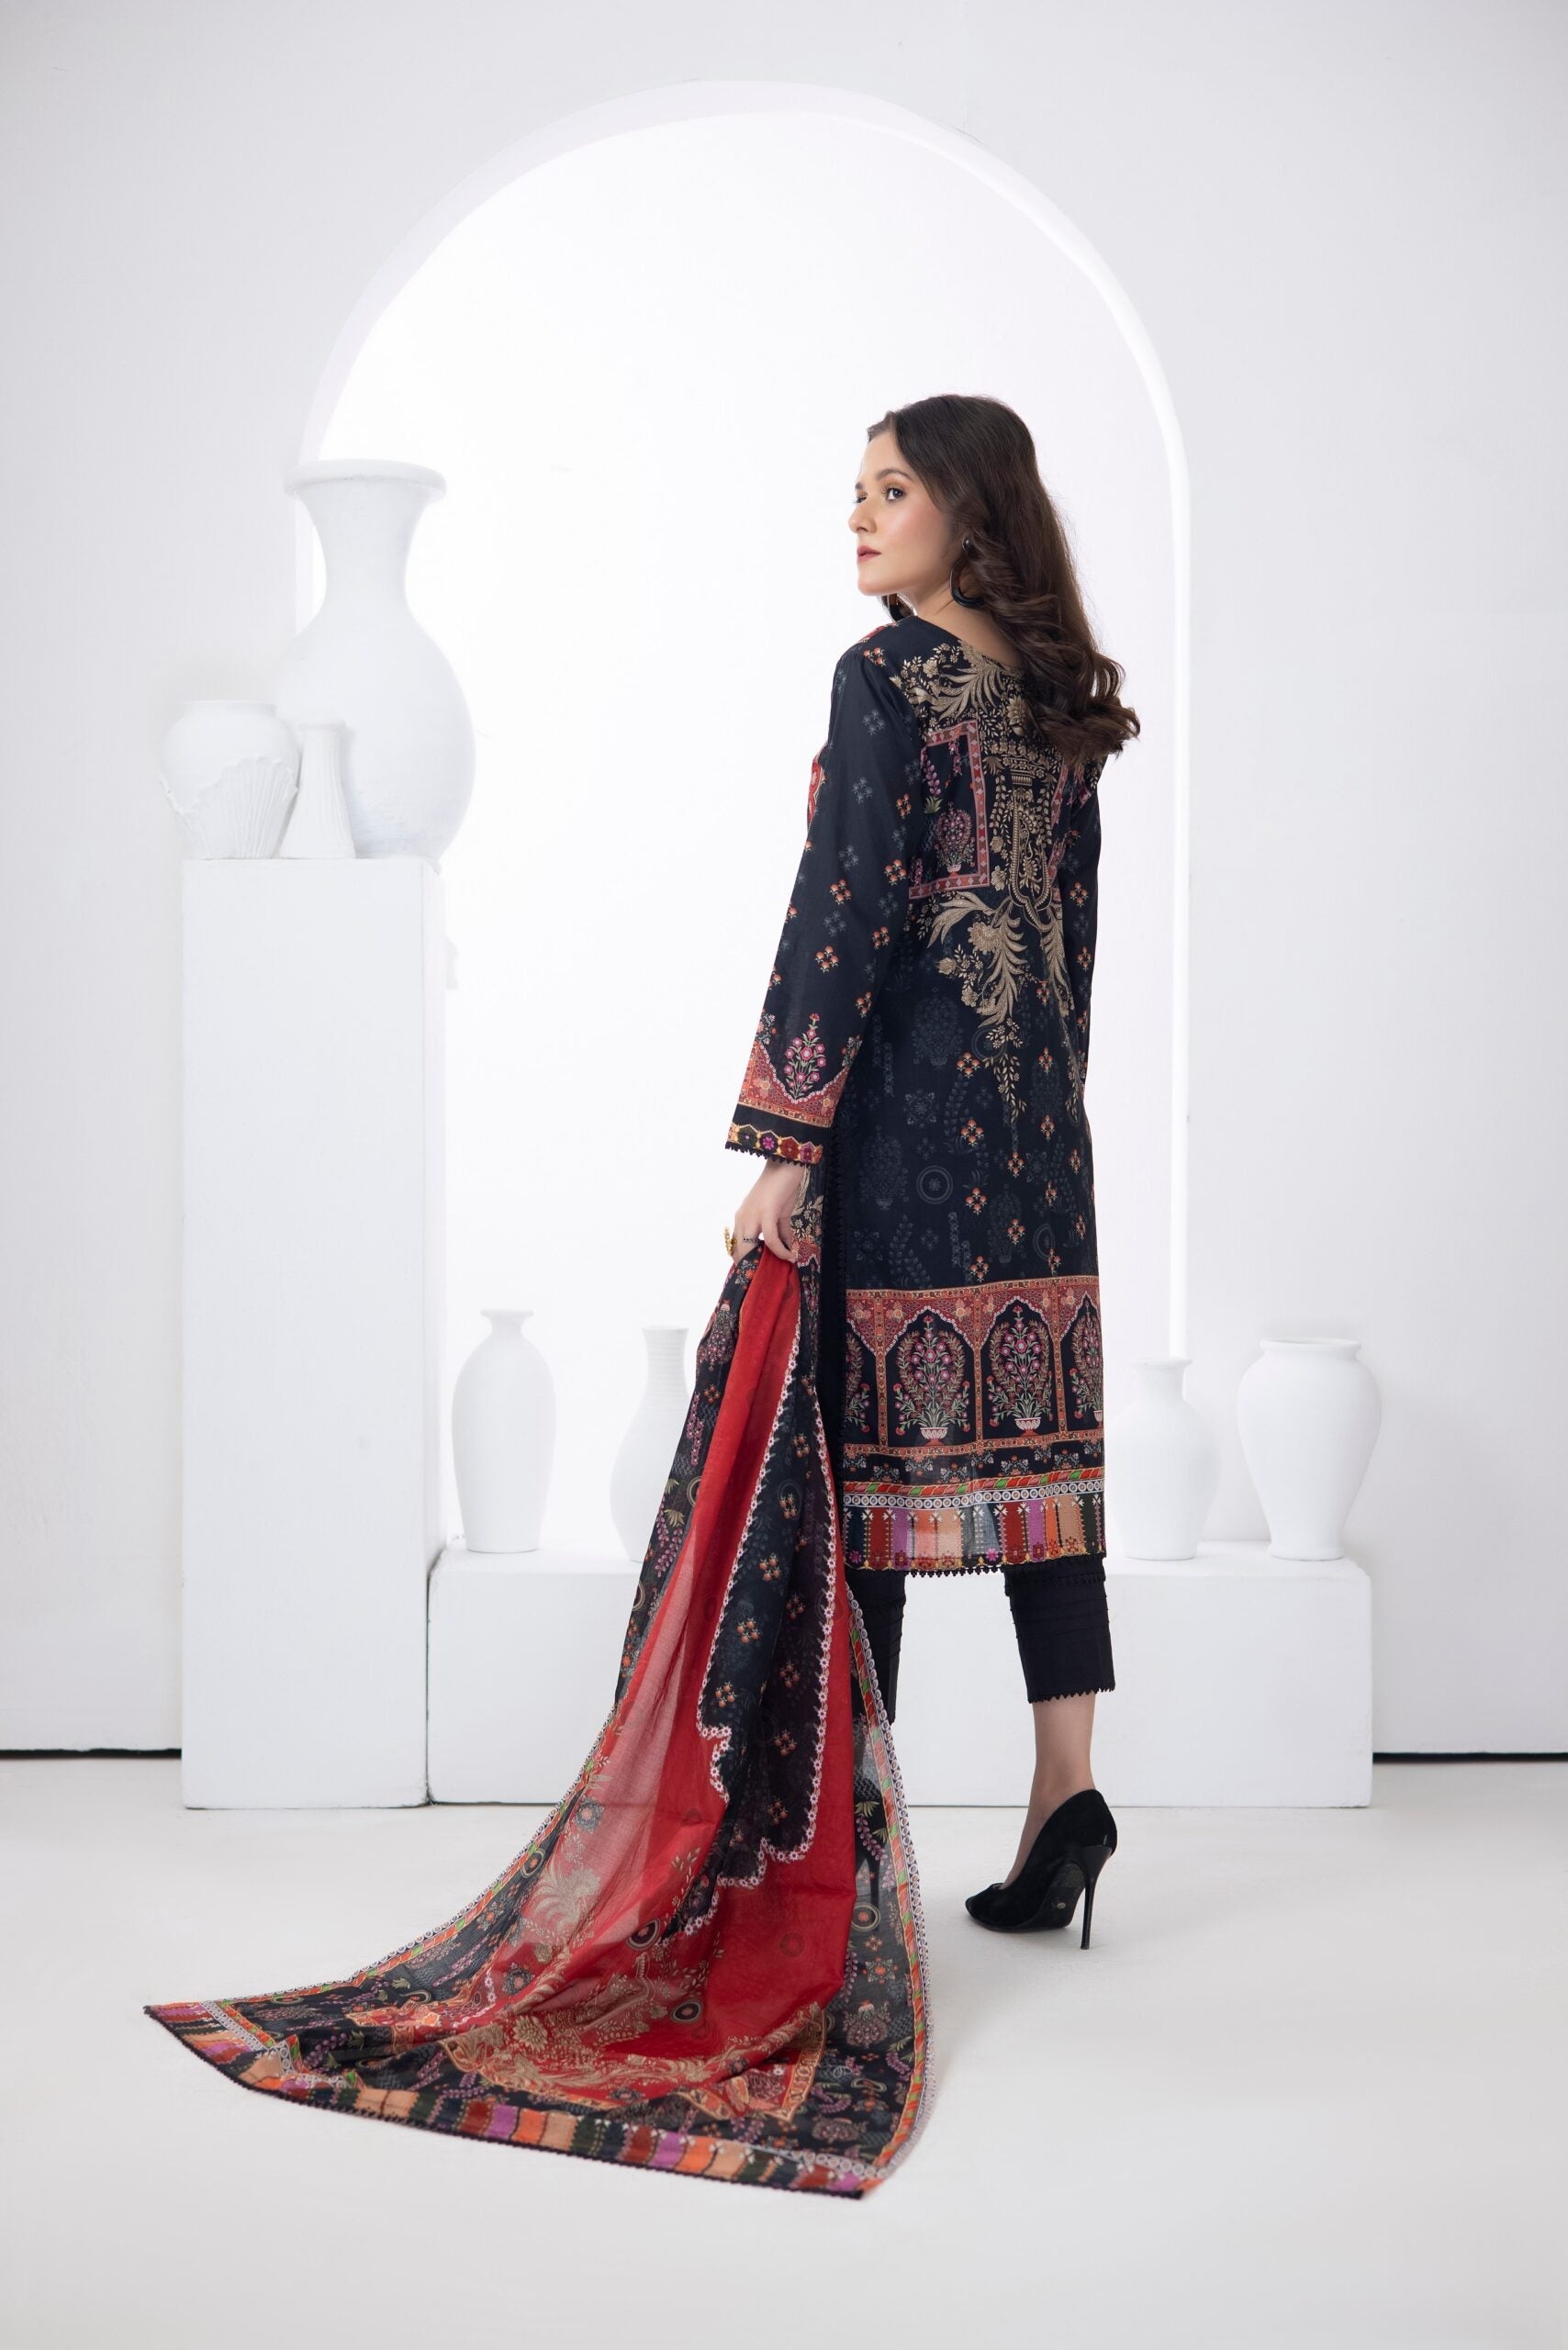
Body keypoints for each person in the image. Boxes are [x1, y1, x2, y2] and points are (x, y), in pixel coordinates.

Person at [725, 392, 1139, 1934]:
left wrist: (785, 1143)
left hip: (903, 1132)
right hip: (1038, 1145)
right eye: (858, 489)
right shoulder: (1053, 700)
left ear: (968, 510)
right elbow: (1073, 946)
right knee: (1049, 1483)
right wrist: (1048, 1110)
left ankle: (851, 1853)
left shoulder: (884, 677)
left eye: (890, 490)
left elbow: (841, 912)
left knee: (868, 1488)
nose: (858, 515)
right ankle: (1067, 1794)